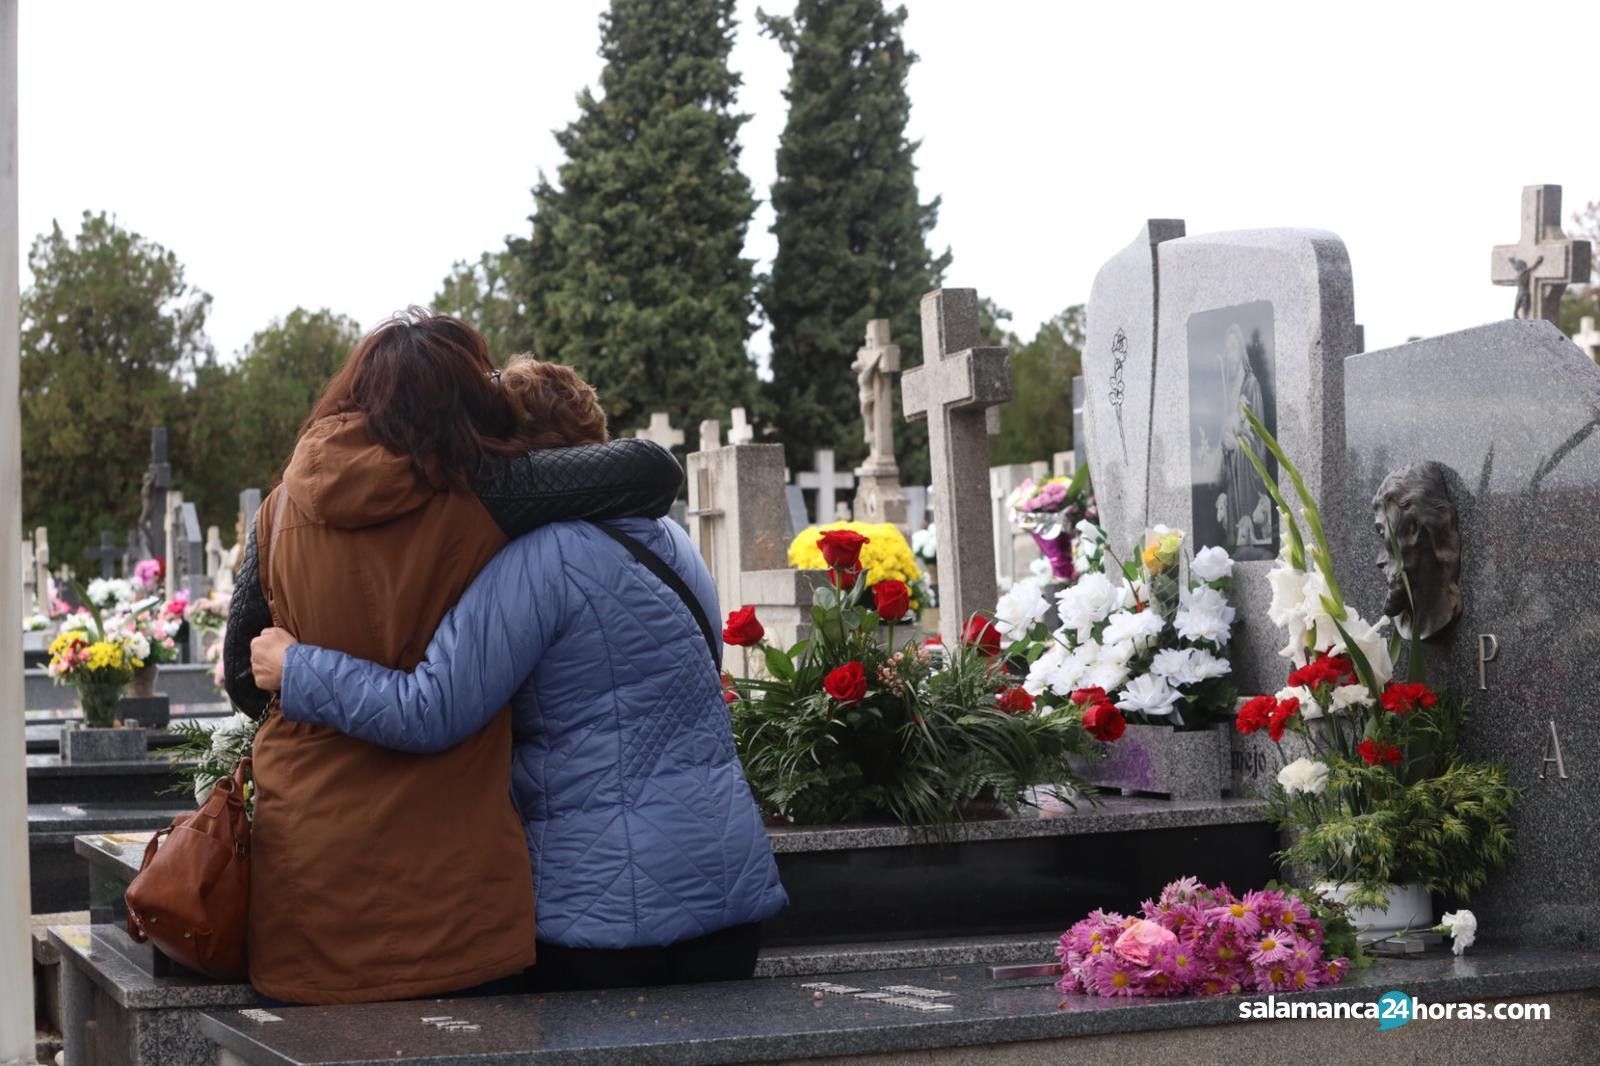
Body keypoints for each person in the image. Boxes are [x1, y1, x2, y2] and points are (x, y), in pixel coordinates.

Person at [249, 357, 787, 993]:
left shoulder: (543, 560)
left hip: (607, 910)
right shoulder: (673, 540)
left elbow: (430, 709)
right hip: (727, 883)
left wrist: (296, 667)